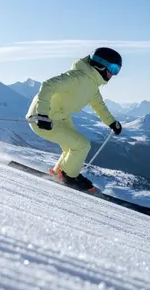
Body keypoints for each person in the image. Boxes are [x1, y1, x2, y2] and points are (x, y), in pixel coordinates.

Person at [27, 47, 123, 191]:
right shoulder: (77, 77)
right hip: (44, 118)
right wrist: (42, 114)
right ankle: (68, 177)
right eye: (114, 69)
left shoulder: (92, 86)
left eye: (117, 70)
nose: (114, 74)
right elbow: (48, 85)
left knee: (71, 148)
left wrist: (111, 122)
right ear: (101, 65)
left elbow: (99, 106)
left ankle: (60, 174)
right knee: (82, 145)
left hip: (60, 116)